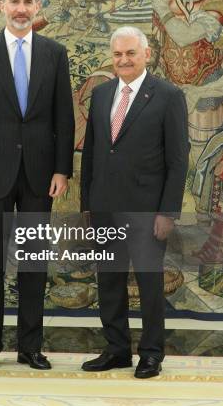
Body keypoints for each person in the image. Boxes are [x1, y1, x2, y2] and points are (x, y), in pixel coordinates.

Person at [0, 0, 75, 371]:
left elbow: (64, 117)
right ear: (2, 5)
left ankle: (30, 347)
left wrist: (63, 169)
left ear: (37, 6)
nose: (21, 9)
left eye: (27, 2)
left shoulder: (55, 54)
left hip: (41, 176)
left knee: (34, 263)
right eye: (14, 1)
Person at [80, 26, 189, 378]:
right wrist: (87, 204)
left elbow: (178, 159)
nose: (123, 60)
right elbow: (92, 153)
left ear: (146, 55)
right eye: (117, 54)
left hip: (147, 210)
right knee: (109, 281)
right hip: (104, 207)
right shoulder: (101, 95)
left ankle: (151, 353)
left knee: (149, 283)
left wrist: (167, 212)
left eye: (130, 53)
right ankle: (116, 350)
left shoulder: (168, 95)